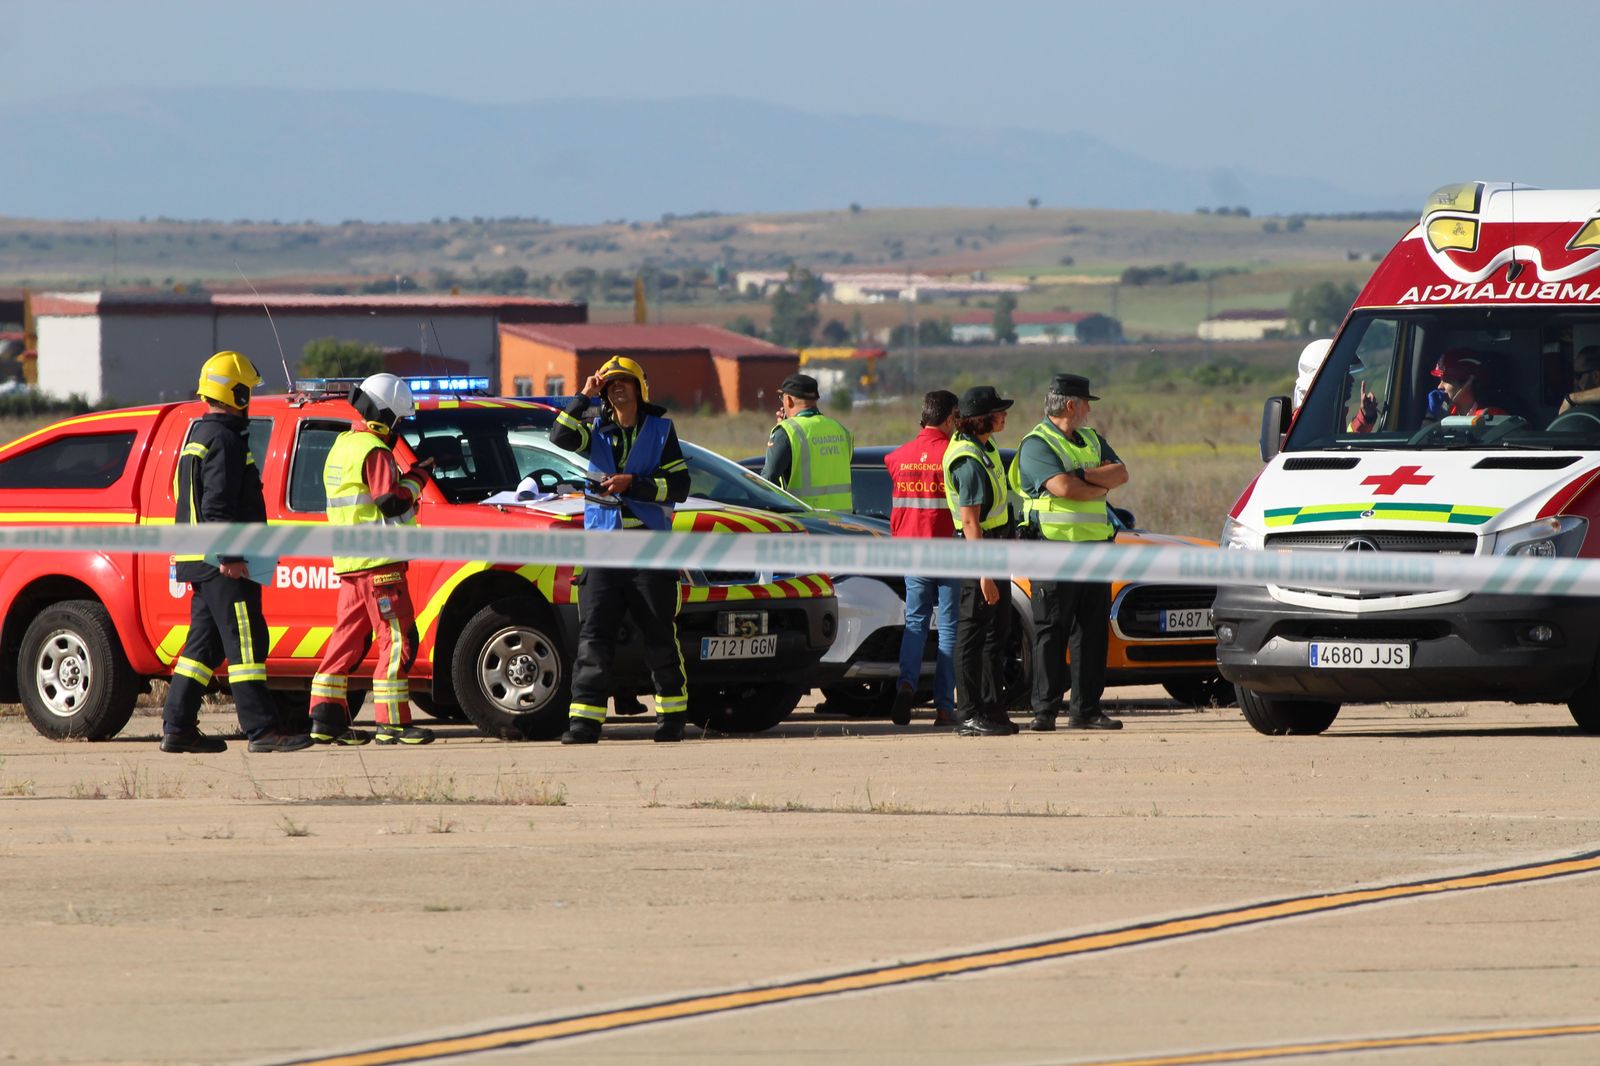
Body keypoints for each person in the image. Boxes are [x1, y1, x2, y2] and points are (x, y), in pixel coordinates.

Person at [161, 351, 311, 754]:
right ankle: (262, 731)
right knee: (246, 640)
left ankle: (177, 727)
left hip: (199, 557)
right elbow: (217, 506)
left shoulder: (199, 434)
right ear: (237, 393)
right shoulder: (225, 439)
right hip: (220, 561)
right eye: (249, 392)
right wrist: (229, 556)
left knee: (202, 647)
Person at [549, 356, 692, 744]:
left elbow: (679, 486)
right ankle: (585, 721)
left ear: (639, 388)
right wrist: (582, 395)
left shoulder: (661, 431)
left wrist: (636, 485)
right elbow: (558, 437)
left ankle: (672, 718)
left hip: (649, 549)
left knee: (660, 635)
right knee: (593, 636)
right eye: (609, 383)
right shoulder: (595, 429)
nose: (615, 388)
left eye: (623, 382)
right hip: (603, 550)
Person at [309, 373, 436, 746]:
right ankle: (392, 723)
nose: (399, 428)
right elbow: (390, 501)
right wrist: (418, 478)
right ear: (385, 416)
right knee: (398, 640)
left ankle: (325, 719)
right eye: (399, 420)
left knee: (345, 642)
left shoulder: (343, 446)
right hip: (380, 564)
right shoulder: (374, 450)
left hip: (351, 565)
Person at [1009, 374, 1127, 731]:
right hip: (1053, 550)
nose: (1090, 410)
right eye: (1087, 402)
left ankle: (1086, 709)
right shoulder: (1036, 444)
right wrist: (1093, 485)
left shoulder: (1091, 439)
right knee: (1051, 630)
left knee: (1091, 632)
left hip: (1093, 550)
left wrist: (1080, 476)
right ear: (1071, 405)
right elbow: (1061, 487)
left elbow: (1120, 474)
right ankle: (1044, 710)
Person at [943, 385, 1017, 737]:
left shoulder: (984, 448)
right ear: (981, 419)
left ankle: (992, 707)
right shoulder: (969, 461)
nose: (1004, 415)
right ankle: (969, 712)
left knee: (996, 632)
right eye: (999, 411)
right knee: (972, 634)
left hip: (995, 549)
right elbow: (970, 521)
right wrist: (985, 574)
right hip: (979, 552)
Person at [884, 390, 960, 727]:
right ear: (947, 419)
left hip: (912, 554)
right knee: (948, 629)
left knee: (914, 623)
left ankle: (905, 684)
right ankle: (944, 707)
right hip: (948, 554)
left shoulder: (898, 457)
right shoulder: (952, 455)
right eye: (956, 418)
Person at [760, 373, 854, 511]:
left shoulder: (787, 432)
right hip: (843, 523)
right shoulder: (841, 431)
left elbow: (768, 480)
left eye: (782, 397)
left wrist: (781, 434)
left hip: (805, 523)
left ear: (789, 400)